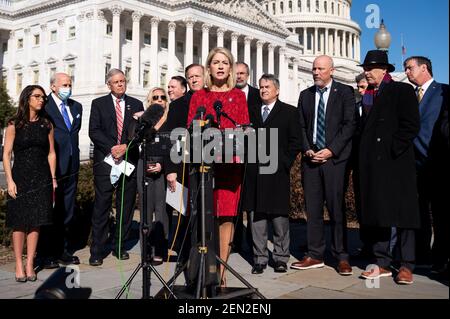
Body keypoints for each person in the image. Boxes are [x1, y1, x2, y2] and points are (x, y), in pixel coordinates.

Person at [186, 47, 249, 286]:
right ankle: (202, 268)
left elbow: (244, 131)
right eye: (216, 62)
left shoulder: (239, 96)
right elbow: (189, 131)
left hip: (230, 168)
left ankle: (221, 271)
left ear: (230, 68)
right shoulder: (198, 96)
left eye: (225, 62)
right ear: (208, 67)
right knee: (204, 216)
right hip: (203, 168)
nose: (221, 66)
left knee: (226, 217)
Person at [357, 50, 420, 285]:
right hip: (373, 165)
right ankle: (382, 262)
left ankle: (406, 265)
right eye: (365, 67)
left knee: (403, 216)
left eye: (370, 67)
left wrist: (392, 148)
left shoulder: (401, 90)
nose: (366, 71)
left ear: (383, 70)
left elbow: (411, 125)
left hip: (396, 163)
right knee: (379, 215)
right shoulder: (367, 95)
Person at [292, 55, 355, 276]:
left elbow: (349, 125)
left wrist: (331, 150)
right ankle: (315, 254)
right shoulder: (305, 95)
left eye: (320, 69)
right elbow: (300, 126)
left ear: (332, 70)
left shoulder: (345, 92)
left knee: (337, 209)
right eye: (314, 69)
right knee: (314, 209)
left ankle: (341, 256)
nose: (316, 72)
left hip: (334, 160)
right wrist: (308, 148)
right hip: (311, 160)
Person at [243, 74, 301, 274]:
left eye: (267, 86)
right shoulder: (250, 112)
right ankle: (259, 258)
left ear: (277, 90)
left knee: (279, 218)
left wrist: (284, 163)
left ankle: (280, 257)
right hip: (255, 172)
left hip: (277, 172)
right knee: (256, 218)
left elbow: (295, 142)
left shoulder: (289, 112)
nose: (263, 90)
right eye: (261, 87)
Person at [88, 68, 143, 266]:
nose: (121, 84)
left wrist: (125, 148)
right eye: (116, 82)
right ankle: (97, 250)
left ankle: (120, 246)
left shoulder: (136, 104)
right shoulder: (98, 104)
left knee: (125, 207)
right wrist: (112, 148)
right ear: (109, 84)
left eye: (123, 81)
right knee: (102, 206)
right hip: (106, 162)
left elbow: (139, 133)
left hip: (128, 161)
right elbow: (93, 131)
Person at [3, 85, 57, 282]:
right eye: (37, 96)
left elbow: (52, 153)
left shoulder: (47, 125)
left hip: (42, 177)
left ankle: (29, 263)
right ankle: (18, 262)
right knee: (19, 222)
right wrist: (9, 180)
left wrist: (52, 178)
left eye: (43, 97)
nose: (41, 100)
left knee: (36, 222)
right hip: (20, 177)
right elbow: (7, 154)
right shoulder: (14, 124)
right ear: (27, 98)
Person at [404, 56, 448, 266]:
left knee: (440, 214)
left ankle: (440, 257)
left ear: (424, 68)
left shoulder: (444, 92)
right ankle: (421, 255)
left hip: (436, 163)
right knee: (417, 212)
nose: (406, 72)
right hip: (412, 166)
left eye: (410, 68)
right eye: (405, 69)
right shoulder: (408, 96)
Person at [36, 73, 82, 269]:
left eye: (70, 84)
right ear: (53, 87)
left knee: (67, 210)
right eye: (64, 84)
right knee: (50, 209)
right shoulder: (44, 107)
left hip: (72, 166)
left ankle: (62, 250)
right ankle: (45, 253)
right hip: (52, 167)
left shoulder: (76, 107)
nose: (68, 88)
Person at [131, 87, 170, 265]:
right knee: (145, 212)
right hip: (143, 165)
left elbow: (175, 146)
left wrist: (163, 165)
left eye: (163, 97)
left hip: (163, 168)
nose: (160, 99)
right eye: (156, 97)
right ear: (150, 100)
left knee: (160, 211)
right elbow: (133, 141)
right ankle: (146, 252)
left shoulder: (171, 119)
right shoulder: (143, 120)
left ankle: (161, 250)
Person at [233, 62, 262, 254]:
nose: (239, 76)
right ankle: (234, 242)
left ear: (248, 75)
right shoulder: (226, 94)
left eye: (242, 73)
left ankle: (254, 244)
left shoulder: (258, 95)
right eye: (236, 73)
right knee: (234, 201)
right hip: (231, 152)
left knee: (252, 202)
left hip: (253, 152)